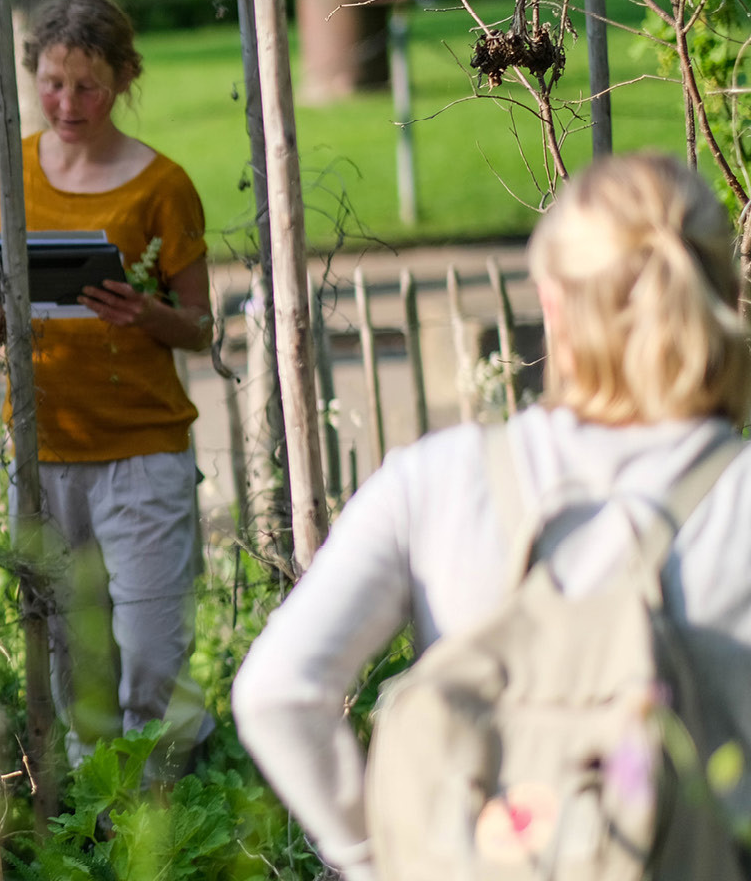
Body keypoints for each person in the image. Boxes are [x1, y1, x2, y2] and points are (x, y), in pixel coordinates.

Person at [233, 153, 751, 881]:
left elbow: (277, 692)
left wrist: (378, 859)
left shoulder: (439, 480)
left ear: (553, 305)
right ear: (723, 294)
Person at [0, 0, 214, 775]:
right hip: (46, 445)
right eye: (54, 83)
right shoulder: (2, 173)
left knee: (151, 641)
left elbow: (200, 326)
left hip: (141, 445)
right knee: (73, 641)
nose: (68, 103)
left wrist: (144, 315)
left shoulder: (162, 186)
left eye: (88, 86)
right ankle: (100, 801)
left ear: (126, 78)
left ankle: (169, 783)